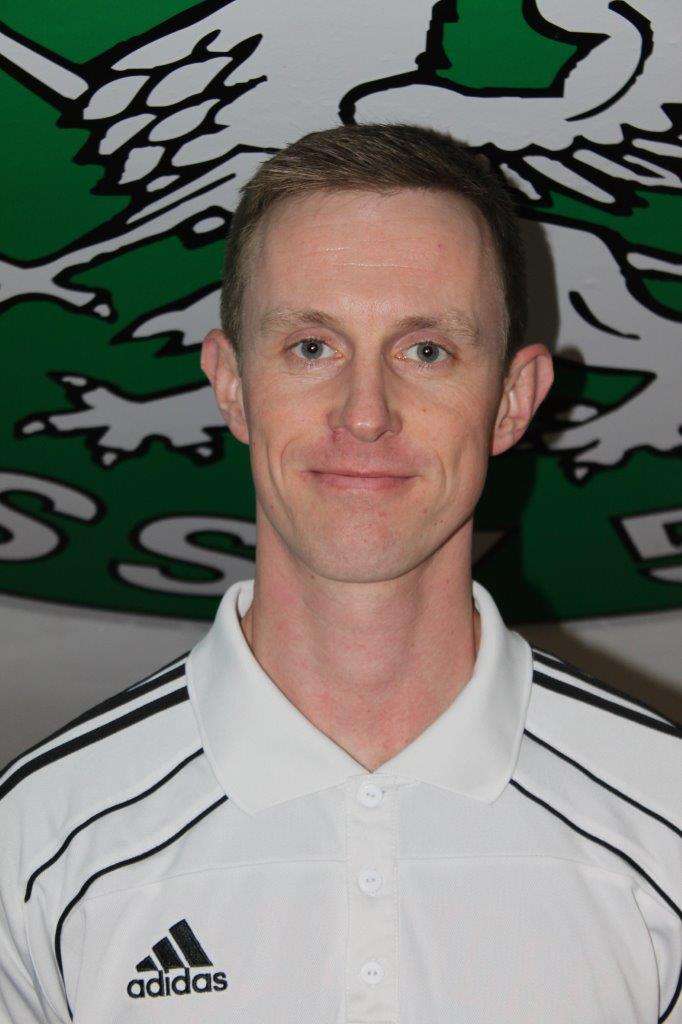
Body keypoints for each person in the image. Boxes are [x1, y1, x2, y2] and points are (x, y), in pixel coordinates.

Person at [1, 122, 679, 1024]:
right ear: (231, 383)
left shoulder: (667, 818)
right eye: (311, 347)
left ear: (512, 400)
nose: (365, 414)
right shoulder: (34, 843)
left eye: (426, 351)